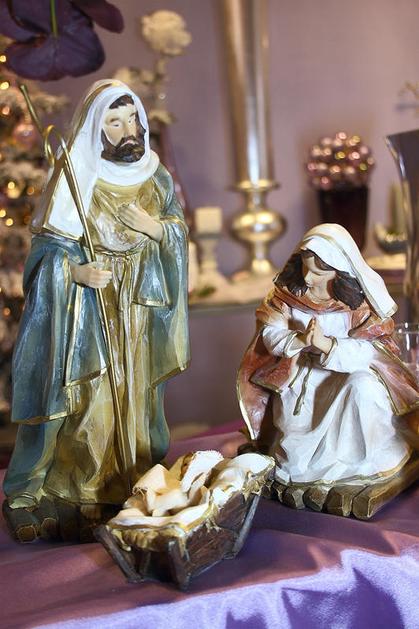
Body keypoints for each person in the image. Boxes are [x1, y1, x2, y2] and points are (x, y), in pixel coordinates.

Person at [3, 79, 190, 541]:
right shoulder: (75, 176)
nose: (128, 131)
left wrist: (156, 229)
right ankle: (77, 493)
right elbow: (45, 257)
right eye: (114, 122)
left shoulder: (155, 176)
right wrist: (75, 273)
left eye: (132, 119)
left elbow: (176, 231)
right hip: (86, 315)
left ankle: (128, 485)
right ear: (96, 128)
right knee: (90, 403)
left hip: (138, 314)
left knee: (135, 400)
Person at [238, 223, 419, 488]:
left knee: (365, 389)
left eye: (318, 272)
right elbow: (270, 335)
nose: (308, 278)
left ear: (339, 270)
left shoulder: (358, 303)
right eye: (305, 268)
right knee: (294, 455)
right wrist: (299, 340)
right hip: (301, 377)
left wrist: (328, 345)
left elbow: (373, 352)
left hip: (348, 372)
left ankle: (361, 462)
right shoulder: (286, 295)